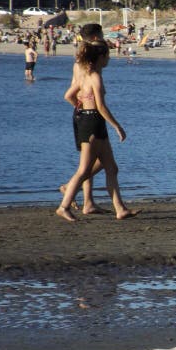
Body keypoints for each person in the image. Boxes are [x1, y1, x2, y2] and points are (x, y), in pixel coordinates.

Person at [56, 40, 139, 222]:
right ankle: (64, 206)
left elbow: (68, 95)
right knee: (84, 169)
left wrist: (80, 107)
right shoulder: (94, 77)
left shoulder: (85, 75)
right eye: (107, 56)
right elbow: (101, 106)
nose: (109, 59)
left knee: (111, 167)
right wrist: (117, 126)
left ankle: (120, 209)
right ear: (101, 57)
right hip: (92, 122)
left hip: (91, 120)